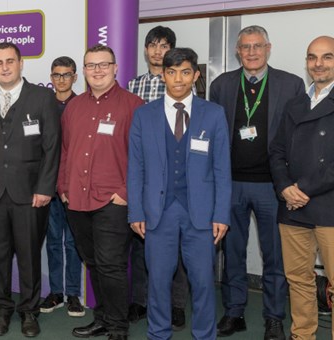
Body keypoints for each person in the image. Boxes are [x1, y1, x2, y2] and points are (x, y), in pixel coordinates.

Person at [127, 47, 231, 340]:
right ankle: (158, 334)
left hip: (201, 213)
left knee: (202, 282)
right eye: (171, 72)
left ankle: (204, 335)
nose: (178, 79)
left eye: (185, 72)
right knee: (158, 281)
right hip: (157, 212)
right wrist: (135, 211)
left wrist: (221, 213)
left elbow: (222, 168)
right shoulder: (143, 116)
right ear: (162, 75)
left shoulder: (213, 114)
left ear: (196, 75)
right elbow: (135, 168)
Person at [210, 25, 304, 339]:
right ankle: (234, 312)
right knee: (232, 252)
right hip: (230, 184)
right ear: (238, 51)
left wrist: (292, 181)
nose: (251, 52)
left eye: (257, 46)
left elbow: (298, 137)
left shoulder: (291, 85)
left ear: (268, 48)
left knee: (274, 254)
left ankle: (274, 317)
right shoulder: (221, 84)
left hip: (272, 186)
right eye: (246, 47)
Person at [0, 42, 59, 338]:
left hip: (31, 194)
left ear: (21, 63)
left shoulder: (43, 97)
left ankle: (29, 311)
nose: (4, 67)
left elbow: (51, 147)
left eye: (10, 61)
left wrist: (45, 187)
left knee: (30, 255)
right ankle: (2, 310)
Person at [58, 44, 144, 340]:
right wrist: (63, 187)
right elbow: (66, 150)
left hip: (113, 200)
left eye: (103, 64)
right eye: (91, 65)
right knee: (93, 262)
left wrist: (125, 192)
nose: (97, 70)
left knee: (111, 265)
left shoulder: (134, 105)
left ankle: (118, 328)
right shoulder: (74, 106)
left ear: (115, 67)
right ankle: (103, 318)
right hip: (77, 198)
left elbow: (143, 156)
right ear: (83, 70)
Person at [269, 35, 334, 340]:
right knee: (298, 280)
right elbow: (277, 151)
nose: (318, 64)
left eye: (327, 57)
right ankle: (302, 335)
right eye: (312, 57)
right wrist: (284, 188)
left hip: (328, 207)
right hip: (292, 208)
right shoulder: (295, 103)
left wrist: (302, 189)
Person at [125, 25, 189, 329]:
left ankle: (176, 305)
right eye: (152, 44)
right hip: (144, 173)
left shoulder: (181, 83)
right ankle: (139, 300)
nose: (157, 50)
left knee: (175, 244)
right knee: (141, 241)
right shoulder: (132, 85)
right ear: (146, 49)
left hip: (176, 176)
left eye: (164, 45)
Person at [39, 56, 84, 318]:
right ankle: (56, 292)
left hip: (74, 186)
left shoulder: (82, 105)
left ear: (75, 77)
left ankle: (73, 294)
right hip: (48, 184)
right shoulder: (44, 104)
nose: (61, 80)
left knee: (73, 243)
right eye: (56, 75)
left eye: (66, 75)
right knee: (54, 242)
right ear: (51, 77)